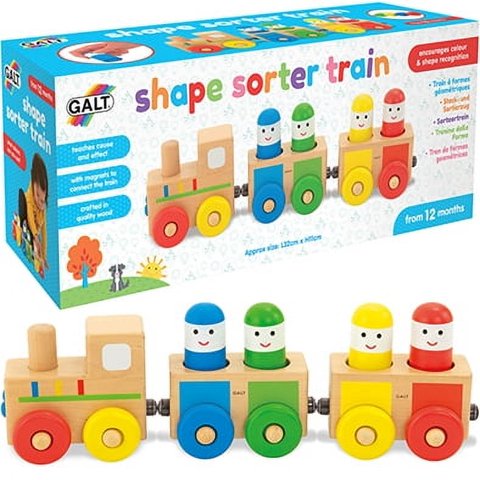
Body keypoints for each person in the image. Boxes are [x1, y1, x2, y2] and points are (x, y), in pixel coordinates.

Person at [19, 153, 48, 269]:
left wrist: (44, 256)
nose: (40, 202)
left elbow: (44, 234)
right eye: (37, 195)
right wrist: (35, 237)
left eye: (42, 200)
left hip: (34, 230)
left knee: (37, 245)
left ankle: (37, 255)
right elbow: (30, 216)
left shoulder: (42, 209)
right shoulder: (30, 199)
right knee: (22, 198)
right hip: (26, 219)